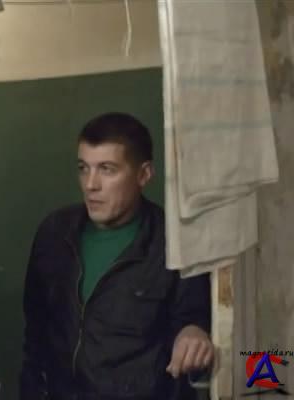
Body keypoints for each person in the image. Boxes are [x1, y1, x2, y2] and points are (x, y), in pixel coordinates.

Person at [20, 112, 213, 400]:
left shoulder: (174, 242)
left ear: (144, 174)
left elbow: (194, 319)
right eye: (83, 168)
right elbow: (35, 340)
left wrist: (194, 332)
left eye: (107, 169)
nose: (91, 184)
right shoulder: (54, 234)